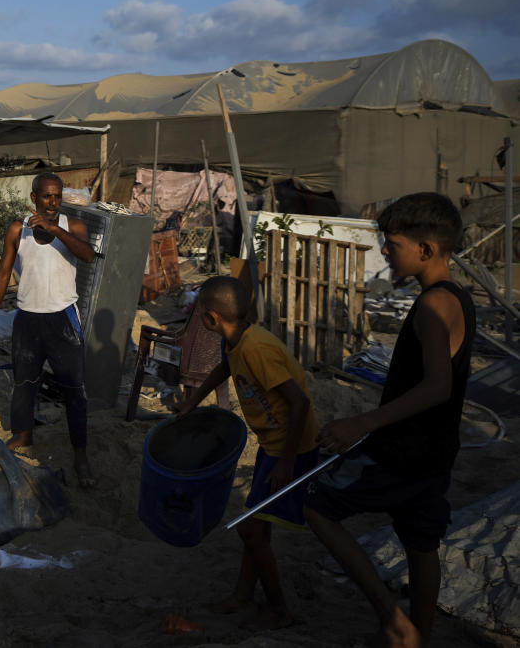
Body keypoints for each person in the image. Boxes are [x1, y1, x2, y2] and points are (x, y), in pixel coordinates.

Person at [304, 193, 474, 648]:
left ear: (426, 249)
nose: (383, 250)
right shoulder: (456, 297)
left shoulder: (433, 308)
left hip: (401, 450)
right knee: (421, 543)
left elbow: (437, 386)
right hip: (435, 451)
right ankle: (419, 634)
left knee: (318, 508)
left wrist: (362, 424)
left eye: (391, 243)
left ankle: (394, 622)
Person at [175, 275, 319, 629]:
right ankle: (242, 597)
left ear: (211, 319)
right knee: (257, 530)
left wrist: (287, 462)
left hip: (292, 449)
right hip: (274, 446)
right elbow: (224, 368)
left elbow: (299, 403)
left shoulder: (257, 348)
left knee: (251, 531)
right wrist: (193, 399)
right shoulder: (235, 340)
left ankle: (279, 609)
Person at [0, 172, 98, 487]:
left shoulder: (72, 226)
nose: (52, 202)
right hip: (28, 319)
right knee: (24, 383)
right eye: (46, 196)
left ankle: (80, 453)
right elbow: (4, 272)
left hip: (62, 319)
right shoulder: (18, 230)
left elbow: (88, 256)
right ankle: (24, 434)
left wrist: (55, 229)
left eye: (57, 197)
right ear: (33, 198)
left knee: (75, 390)